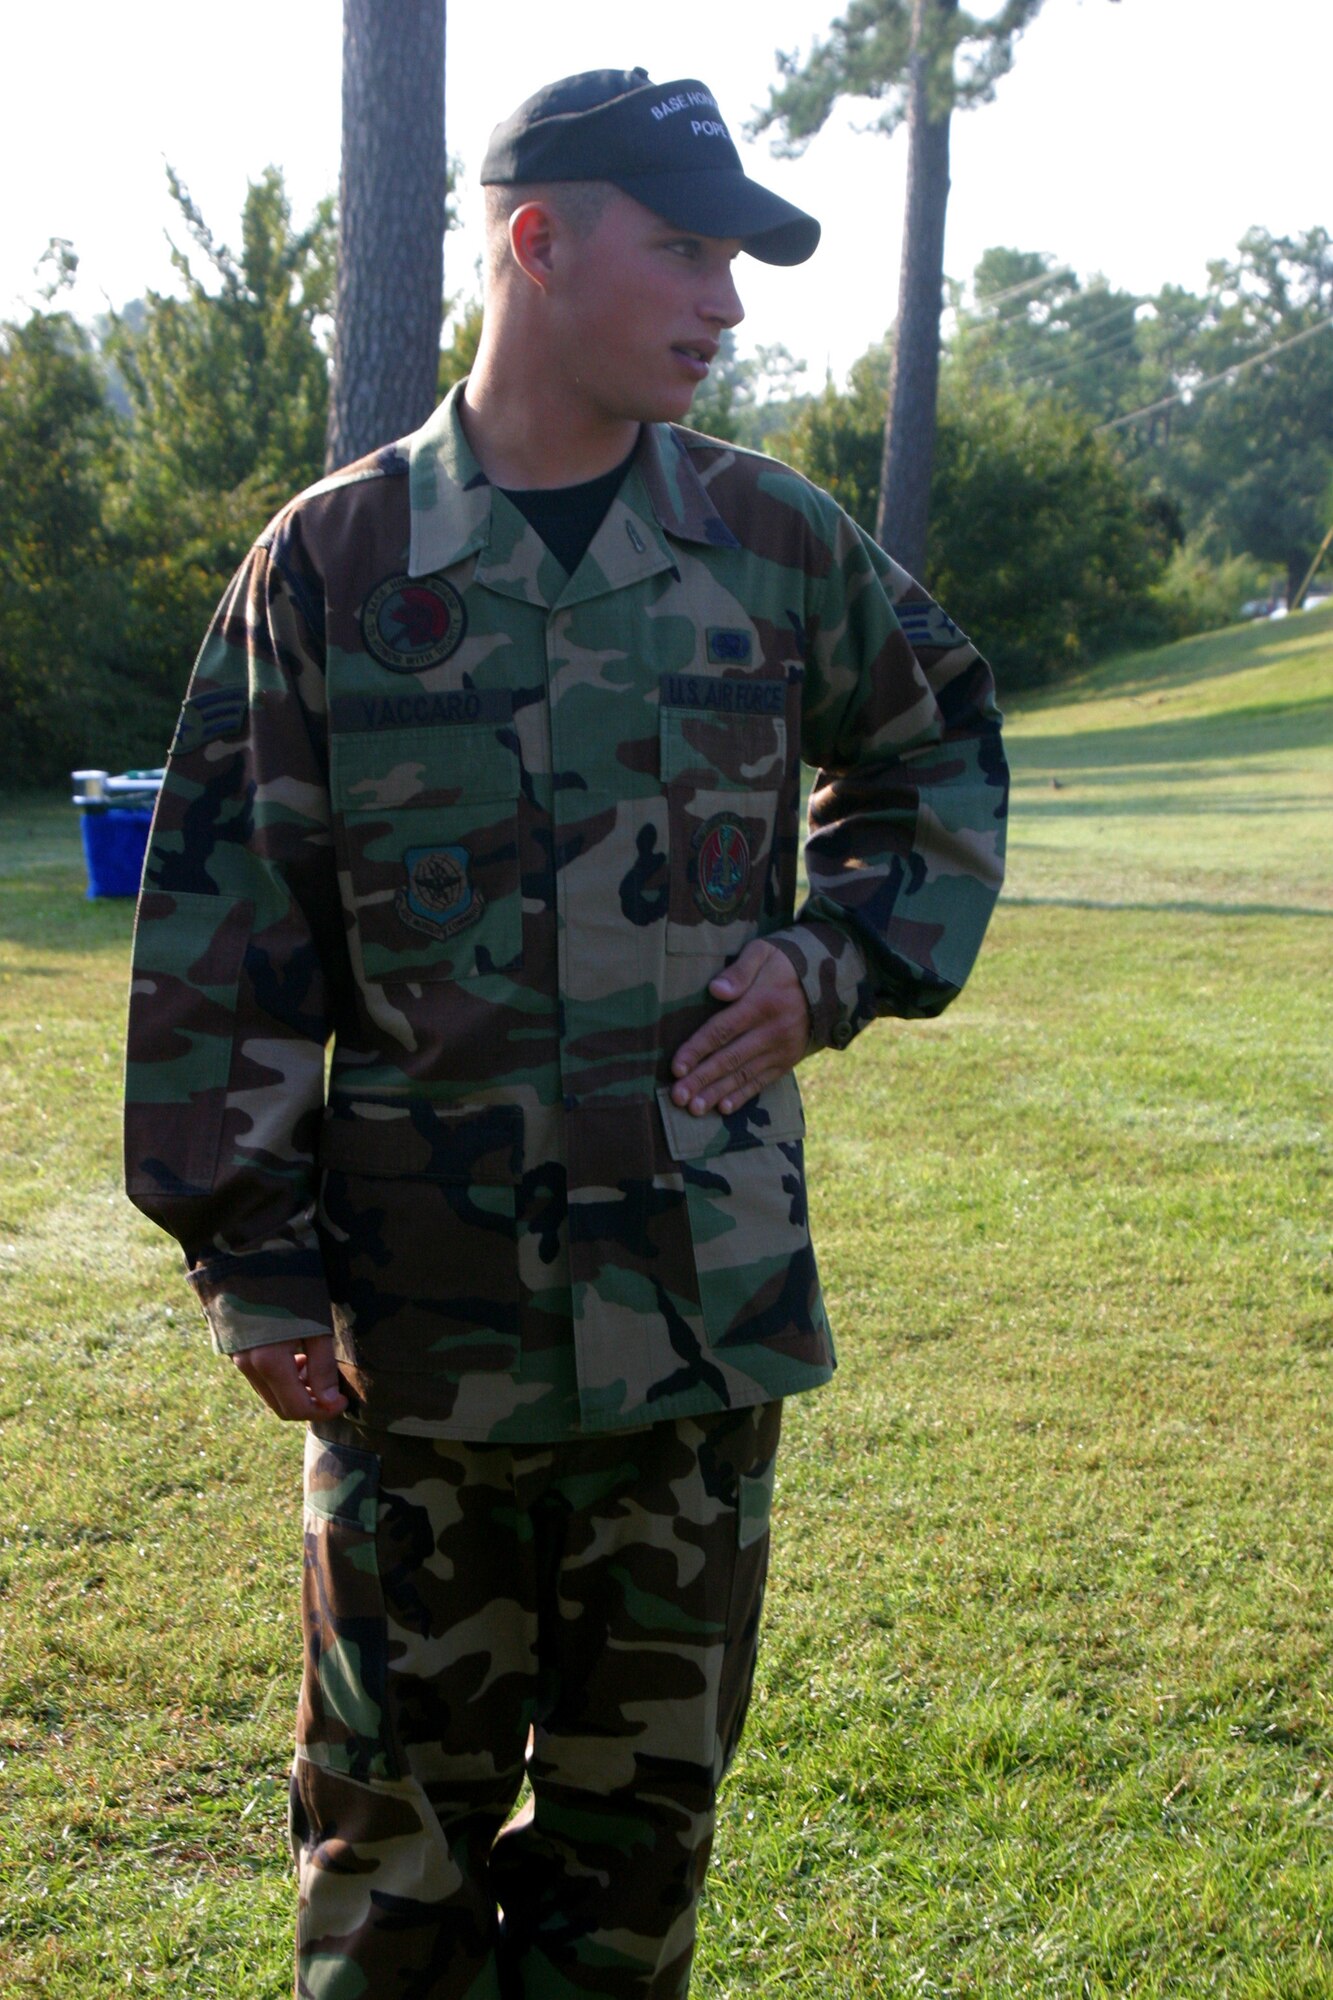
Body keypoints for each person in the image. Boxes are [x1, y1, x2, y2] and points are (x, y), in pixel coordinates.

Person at [124, 65, 1008, 2000]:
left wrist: (836, 958)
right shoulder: (338, 567)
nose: (726, 300)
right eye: (685, 247)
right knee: (387, 1843)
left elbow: (935, 747)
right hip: (410, 1349)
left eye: (735, 257)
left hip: (694, 1336)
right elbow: (225, 918)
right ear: (539, 241)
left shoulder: (769, 544)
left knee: (633, 1855)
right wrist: (247, 1258)